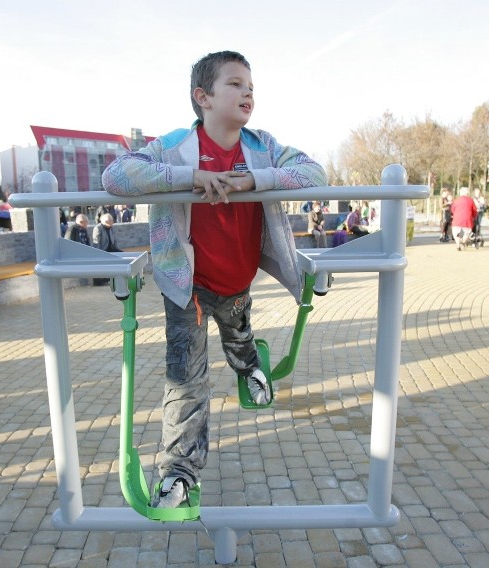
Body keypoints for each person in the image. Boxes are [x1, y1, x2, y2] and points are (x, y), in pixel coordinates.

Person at [101, 50, 326, 509]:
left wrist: (252, 181)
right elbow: (116, 175)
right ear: (202, 96)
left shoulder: (262, 146)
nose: (248, 92)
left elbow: (314, 172)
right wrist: (190, 176)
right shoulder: (174, 146)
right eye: (235, 84)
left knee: (239, 335)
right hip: (187, 284)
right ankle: (179, 473)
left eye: (251, 87)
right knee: (186, 378)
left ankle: (249, 366)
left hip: (238, 279)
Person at [92, 212, 122, 286]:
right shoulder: (98, 228)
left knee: (122, 255)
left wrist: (117, 248)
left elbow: (114, 240)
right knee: (99, 261)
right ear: (106, 222)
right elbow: (96, 241)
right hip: (102, 249)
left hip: (111, 248)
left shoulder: (111, 228)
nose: (113, 222)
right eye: (111, 221)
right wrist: (98, 253)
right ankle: (99, 280)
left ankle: (117, 275)